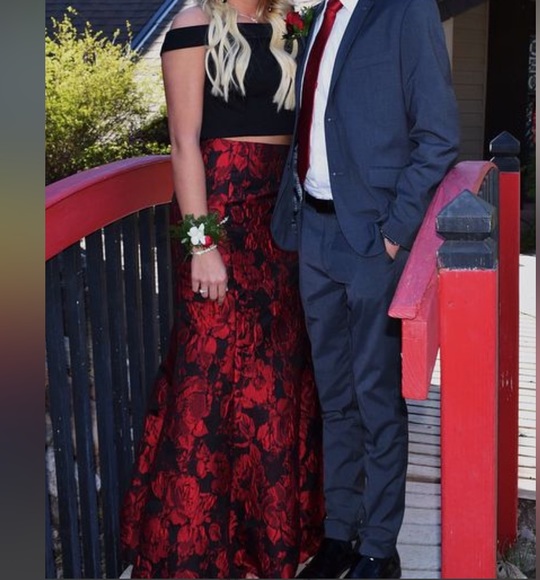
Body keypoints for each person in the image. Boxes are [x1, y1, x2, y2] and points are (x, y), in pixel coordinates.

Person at [120, 1, 325, 578]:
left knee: (276, 375)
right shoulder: (193, 24)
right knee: (208, 370)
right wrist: (200, 242)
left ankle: (268, 541)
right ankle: (196, 545)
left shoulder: (294, 24)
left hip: (281, 219)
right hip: (221, 214)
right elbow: (183, 142)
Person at [271, 0, 460, 578]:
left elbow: (438, 136)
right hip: (314, 231)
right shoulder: (320, 15)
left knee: (376, 398)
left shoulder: (406, 12)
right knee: (335, 397)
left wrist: (395, 234)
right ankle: (339, 535)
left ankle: (379, 546)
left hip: (372, 241)